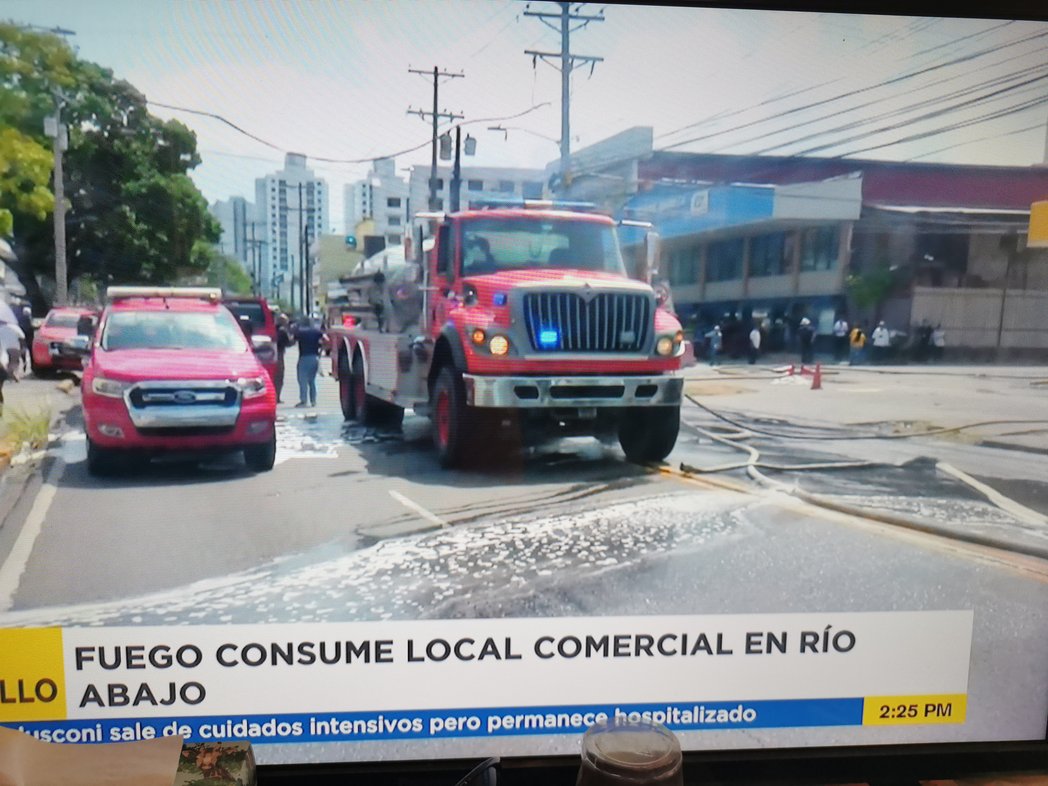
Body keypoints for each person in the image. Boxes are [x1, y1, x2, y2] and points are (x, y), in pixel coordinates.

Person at [293, 316, 325, 408]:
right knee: (312, 380)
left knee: (302, 379)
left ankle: (303, 401)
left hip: (304, 357)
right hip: (314, 357)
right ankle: (313, 400)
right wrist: (320, 352)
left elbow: (292, 340)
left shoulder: (300, 332)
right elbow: (326, 340)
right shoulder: (316, 332)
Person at [274, 313, 293, 403]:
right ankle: (277, 397)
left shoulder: (272, 329)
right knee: (279, 377)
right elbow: (288, 343)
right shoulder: (283, 331)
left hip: (268, 354)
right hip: (279, 354)